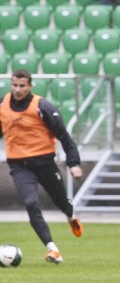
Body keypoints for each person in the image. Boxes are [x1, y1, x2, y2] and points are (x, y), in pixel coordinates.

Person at [0, 70, 84, 265]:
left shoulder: (43, 107)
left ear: (30, 86)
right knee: (31, 203)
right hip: (19, 164)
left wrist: (74, 164)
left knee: (61, 201)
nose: (18, 90)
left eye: (22, 86)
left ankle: (71, 216)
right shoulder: (3, 106)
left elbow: (64, 136)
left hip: (44, 163)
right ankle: (52, 249)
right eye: (15, 85)